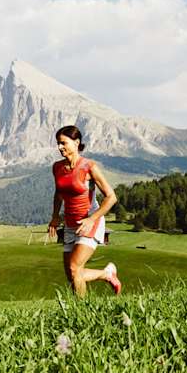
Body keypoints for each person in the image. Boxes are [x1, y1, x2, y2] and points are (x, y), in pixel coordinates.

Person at [47, 125, 122, 296]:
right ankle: (106, 274)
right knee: (71, 275)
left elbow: (111, 197)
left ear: (76, 143)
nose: (59, 147)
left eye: (63, 143)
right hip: (71, 224)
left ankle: (83, 312)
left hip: (90, 221)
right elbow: (59, 193)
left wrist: (91, 219)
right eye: (58, 144)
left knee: (75, 269)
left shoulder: (89, 167)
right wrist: (54, 216)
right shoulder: (57, 168)